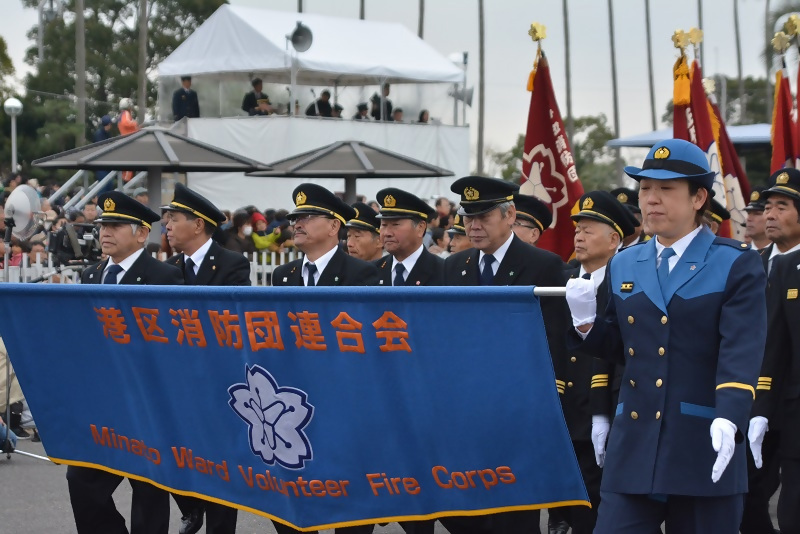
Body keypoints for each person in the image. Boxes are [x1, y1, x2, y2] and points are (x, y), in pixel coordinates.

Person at [565, 139, 766, 533]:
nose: (651, 199)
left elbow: (740, 349)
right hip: (635, 442)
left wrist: (730, 415)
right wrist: (586, 323)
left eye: (666, 189)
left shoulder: (734, 262)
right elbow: (621, 348)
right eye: (645, 188)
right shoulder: (625, 262)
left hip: (703, 436)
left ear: (698, 198)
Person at [441, 176, 569, 534]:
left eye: (483, 217)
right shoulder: (455, 267)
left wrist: (548, 400)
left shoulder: (543, 265)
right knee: (466, 508)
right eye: (468, 218)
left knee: (514, 509)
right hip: (465, 406)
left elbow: (554, 339)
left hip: (517, 404)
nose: (473, 226)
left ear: (510, 214)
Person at [69, 191, 183, 534]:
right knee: (82, 481)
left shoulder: (163, 276)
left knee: (148, 492)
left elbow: (171, 344)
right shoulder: (90, 275)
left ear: (140, 233)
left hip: (146, 402)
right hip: (102, 402)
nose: (105, 232)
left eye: (116, 225)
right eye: (103, 225)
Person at [271, 184, 378, 534]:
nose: (296, 223)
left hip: (345, 404)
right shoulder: (283, 276)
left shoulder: (362, 275)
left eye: (306, 217)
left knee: (349, 505)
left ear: (334, 226)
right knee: (296, 506)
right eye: (294, 218)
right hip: (293, 406)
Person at [162, 183, 249, 534]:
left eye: (173, 219)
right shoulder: (167, 270)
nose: (166, 226)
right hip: (178, 379)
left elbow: (234, 321)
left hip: (219, 379)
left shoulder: (232, 264)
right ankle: (191, 507)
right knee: (174, 453)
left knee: (222, 464)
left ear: (198, 225)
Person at [558, 191, 639, 534]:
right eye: (577, 229)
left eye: (589, 229)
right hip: (564, 408)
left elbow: (620, 351)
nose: (579, 236)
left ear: (614, 239)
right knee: (568, 509)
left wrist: (601, 413)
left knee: (606, 509)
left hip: (606, 408)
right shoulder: (560, 277)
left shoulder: (627, 284)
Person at [746, 168, 800, 534]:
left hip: (794, 406)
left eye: (782, 206)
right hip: (757, 403)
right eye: (767, 207)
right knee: (745, 498)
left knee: (794, 511)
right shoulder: (753, 266)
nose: (769, 214)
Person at [272, 184, 378, 289]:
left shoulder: (359, 273)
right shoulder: (282, 274)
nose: (297, 225)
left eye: (306, 217)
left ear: (334, 226)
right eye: (296, 219)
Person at [374, 188, 443, 287]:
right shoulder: (373, 271)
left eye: (395, 225)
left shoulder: (442, 271)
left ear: (420, 227)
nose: (387, 233)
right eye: (384, 225)